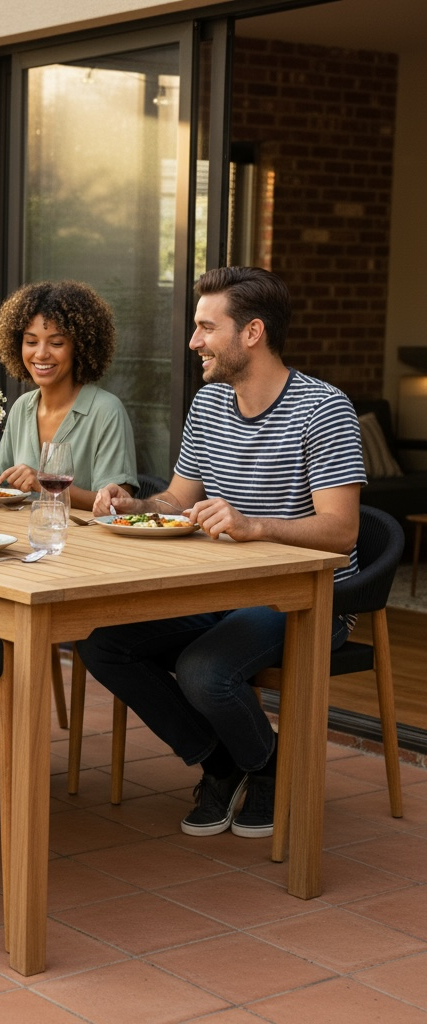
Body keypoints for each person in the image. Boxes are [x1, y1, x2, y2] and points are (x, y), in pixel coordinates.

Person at [80, 266, 365, 839]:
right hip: (222, 590)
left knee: (204, 669)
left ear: (252, 333)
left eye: (207, 328)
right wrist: (132, 503)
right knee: (104, 643)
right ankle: (228, 761)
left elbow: (342, 532)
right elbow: (176, 499)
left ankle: (270, 770)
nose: (193, 342)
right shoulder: (211, 404)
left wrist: (255, 525)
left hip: (305, 600)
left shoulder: (324, 409)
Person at [0, 279, 139, 800]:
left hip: (83, 556)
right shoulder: (22, 408)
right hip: (23, 547)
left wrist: (51, 489)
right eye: (30, 340)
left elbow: (119, 502)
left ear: (80, 346)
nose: (40, 353)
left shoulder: (105, 411)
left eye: (56, 341)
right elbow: (4, 484)